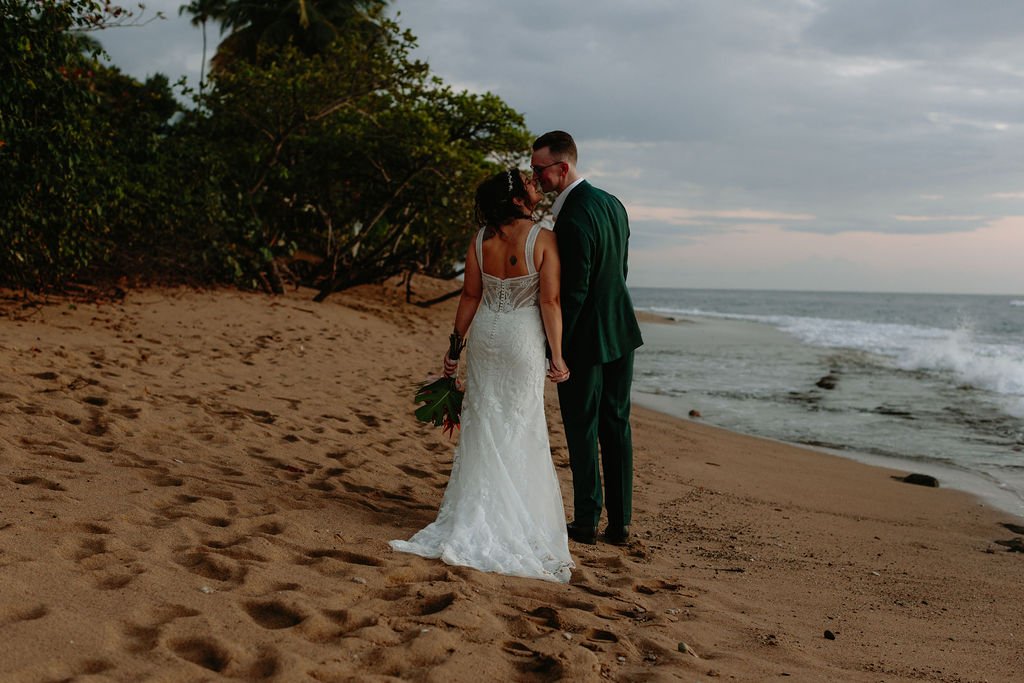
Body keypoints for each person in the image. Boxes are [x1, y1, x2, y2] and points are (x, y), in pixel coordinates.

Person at [389, 168, 574, 583]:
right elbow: (551, 300)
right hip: (522, 338)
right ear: (515, 199)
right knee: (520, 423)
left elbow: (471, 295)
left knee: (484, 420)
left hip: (488, 336)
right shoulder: (543, 238)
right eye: (527, 182)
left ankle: (479, 509)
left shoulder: (479, 240)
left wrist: (455, 346)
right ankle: (516, 517)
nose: (533, 184)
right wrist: (557, 356)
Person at [530, 131, 644, 546]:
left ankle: (585, 521)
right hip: (622, 331)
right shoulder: (613, 203)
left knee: (582, 428)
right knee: (617, 426)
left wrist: (555, 349)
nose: (536, 176)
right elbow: (621, 269)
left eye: (540, 169)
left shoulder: (574, 216)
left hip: (585, 340)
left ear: (563, 167)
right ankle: (621, 523)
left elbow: (571, 293)